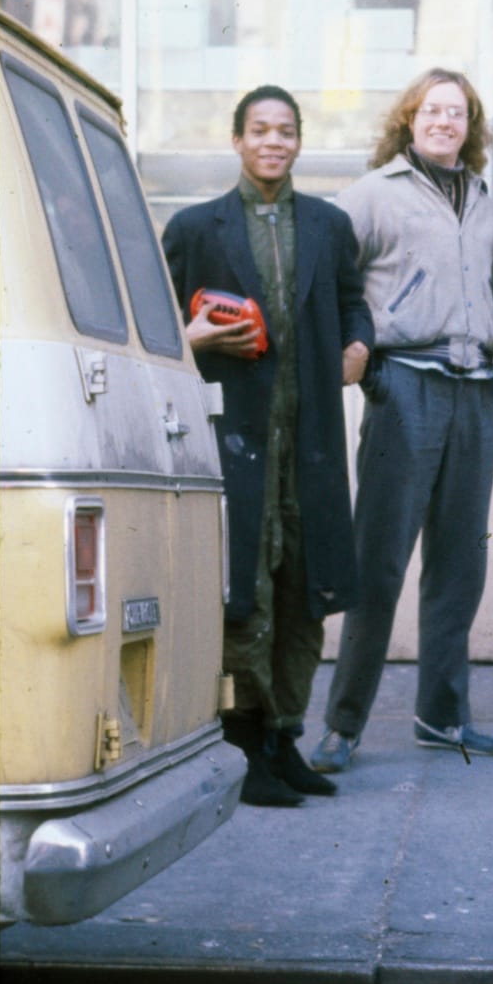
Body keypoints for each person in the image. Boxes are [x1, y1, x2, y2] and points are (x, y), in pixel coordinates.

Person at [163, 86, 374, 807]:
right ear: (237, 141)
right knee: (244, 590)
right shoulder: (197, 228)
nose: (273, 142)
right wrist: (188, 338)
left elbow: (354, 302)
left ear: (298, 142)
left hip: (309, 437)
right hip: (238, 442)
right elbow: (156, 318)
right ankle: (245, 744)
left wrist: (359, 345)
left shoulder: (327, 224)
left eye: (286, 131)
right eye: (260, 130)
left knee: (304, 590)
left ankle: (285, 737)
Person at [312, 69, 493, 773]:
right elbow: (329, 272)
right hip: (406, 387)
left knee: (461, 564)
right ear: (409, 119)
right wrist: (361, 349)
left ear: (471, 125)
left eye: (457, 113)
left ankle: (443, 716)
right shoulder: (374, 194)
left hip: (475, 393)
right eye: (432, 110)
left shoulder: (486, 199)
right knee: (380, 561)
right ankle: (342, 725)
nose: (444, 122)